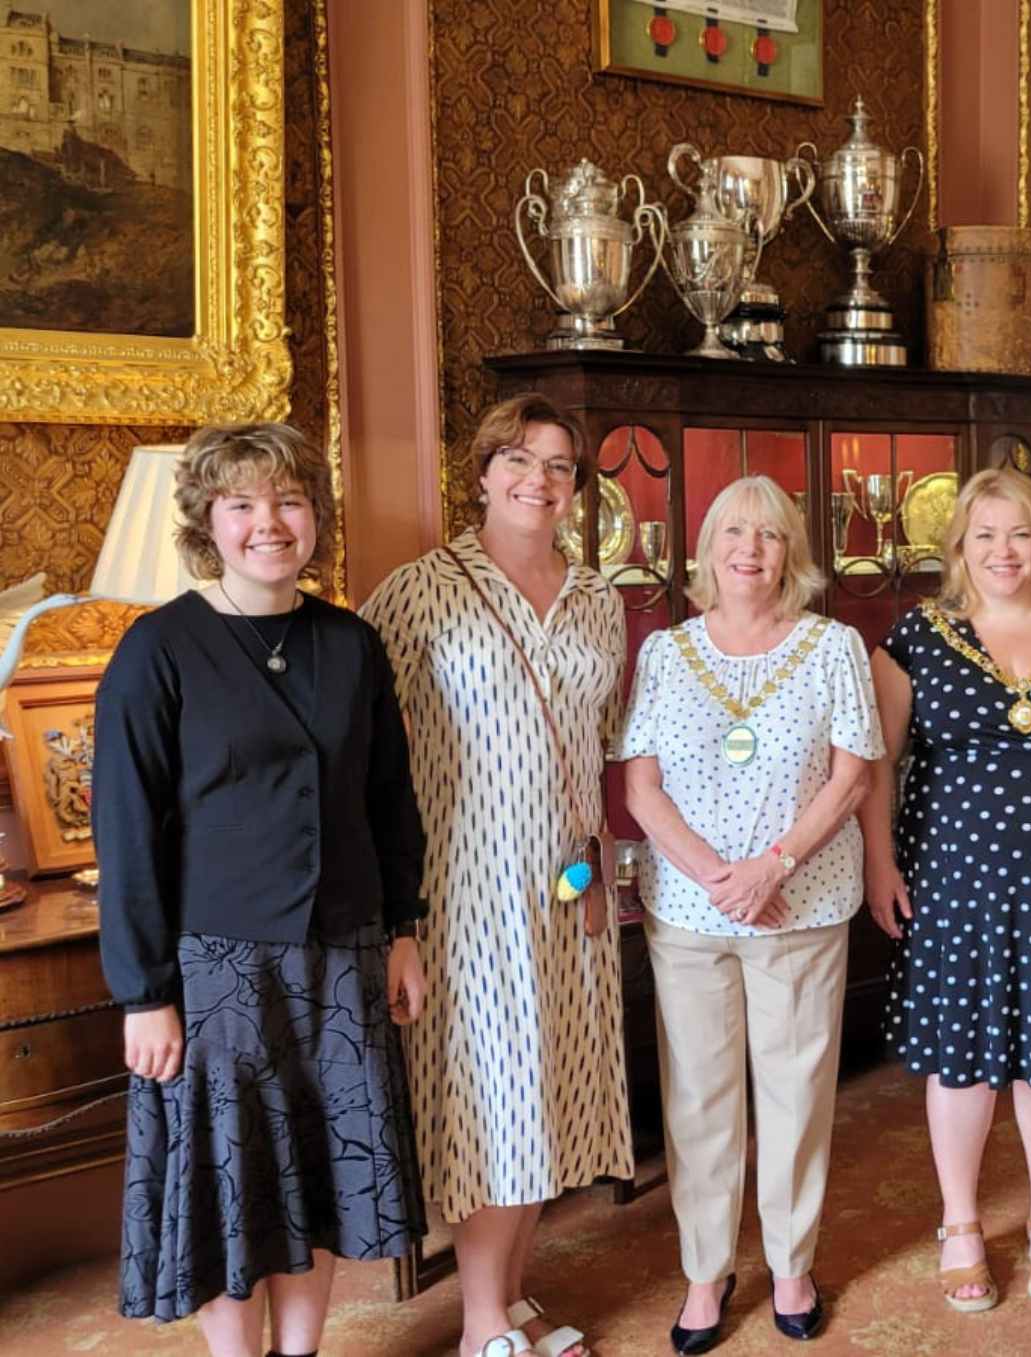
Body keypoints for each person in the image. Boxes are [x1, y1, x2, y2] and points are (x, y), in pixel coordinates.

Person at [93, 422, 428, 1357]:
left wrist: (403, 929)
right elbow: (125, 834)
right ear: (210, 520)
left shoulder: (352, 642)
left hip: (345, 954)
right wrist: (145, 994)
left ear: (314, 514)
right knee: (233, 1184)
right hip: (216, 972)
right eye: (242, 504)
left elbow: (387, 799)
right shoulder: (155, 651)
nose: (269, 523)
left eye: (288, 500)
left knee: (314, 1177)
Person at [361, 394, 630, 1357]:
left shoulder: (601, 598)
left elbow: (602, 744)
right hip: (466, 891)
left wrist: (602, 866)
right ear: (480, 471)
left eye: (560, 465)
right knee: (496, 1098)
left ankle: (510, 1296)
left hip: (571, 884)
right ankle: (481, 1327)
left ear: (577, 488)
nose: (538, 479)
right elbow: (366, 755)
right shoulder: (416, 592)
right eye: (518, 458)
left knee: (552, 1091)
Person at [616, 475, 880, 1353]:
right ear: (707, 549)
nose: (750, 549)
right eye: (733, 531)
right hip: (690, 913)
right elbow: (641, 784)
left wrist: (772, 868)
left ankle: (793, 1260)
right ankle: (705, 1269)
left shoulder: (833, 644)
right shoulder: (666, 650)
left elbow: (853, 774)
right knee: (699, 1096)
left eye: (769, 535)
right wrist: (713, 875)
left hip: (800, 905)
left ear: (791, 553)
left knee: (798, 1093)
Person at [860, 468, 1031, 1312]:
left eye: (1019, 534)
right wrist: (880, 863)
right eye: (985, 535)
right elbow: (877, 767)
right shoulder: (916, 636)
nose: (1003, 551)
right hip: (953, 886)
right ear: (960, 547)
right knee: (964, 1063)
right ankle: (963, 1224)